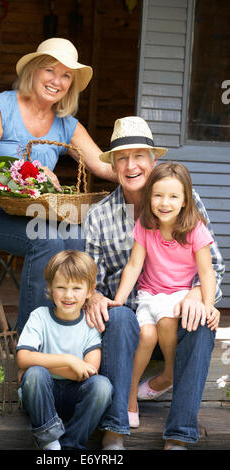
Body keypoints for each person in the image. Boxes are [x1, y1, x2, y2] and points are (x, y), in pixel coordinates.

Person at [83, 116, 225, 450]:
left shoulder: (184, 199)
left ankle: (178, 434)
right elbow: (93, 281)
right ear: (114, 165)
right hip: (131, 326)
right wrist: (96, 297)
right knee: (117, 317)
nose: (131, 165)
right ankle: (115, 426)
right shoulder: (99, 216)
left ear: (153, 161)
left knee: (203, 322)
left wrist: (197, 296)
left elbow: (212, 267)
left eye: (139, 156)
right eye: (121, 157)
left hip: (177, 314)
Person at [0, 37, 116, 335]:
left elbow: (101, 165)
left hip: (31, 213)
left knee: (79, 235)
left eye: (66, 75)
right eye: (49, 70)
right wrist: (26, 170)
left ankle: (71, 329)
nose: (57, 81)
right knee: (47, 240)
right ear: (33, 70)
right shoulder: (0, 106)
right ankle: (32, 337)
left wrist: (138, 170)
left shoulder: (65, 123)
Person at [113, 161, 220, 429]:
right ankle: (130, 395)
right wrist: (118, 299)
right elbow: (134, 265)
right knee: (146, 335)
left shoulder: (196, 229)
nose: (164, 202)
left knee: (167, 320)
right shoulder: (145, 226)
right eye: (158, 195)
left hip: (180, 295)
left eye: (173, 196)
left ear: (185, 200)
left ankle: (169, 373)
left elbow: (207, 273)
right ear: (149, 198)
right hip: (148, 294)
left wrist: (208, 305)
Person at [16, 250, 113, 450]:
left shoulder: (90, 323)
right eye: (61, 287)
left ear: (90, 291)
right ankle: (49, 441)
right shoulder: (40, 316)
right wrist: (70, 360)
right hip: (41, 394)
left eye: (77, 288)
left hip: (75, 396)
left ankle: (71, 444)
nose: (68, 295)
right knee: (35, 374)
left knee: (102, 386)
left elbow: (89, 370)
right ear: (50, 288)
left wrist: (40, 361)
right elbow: (23, 358)